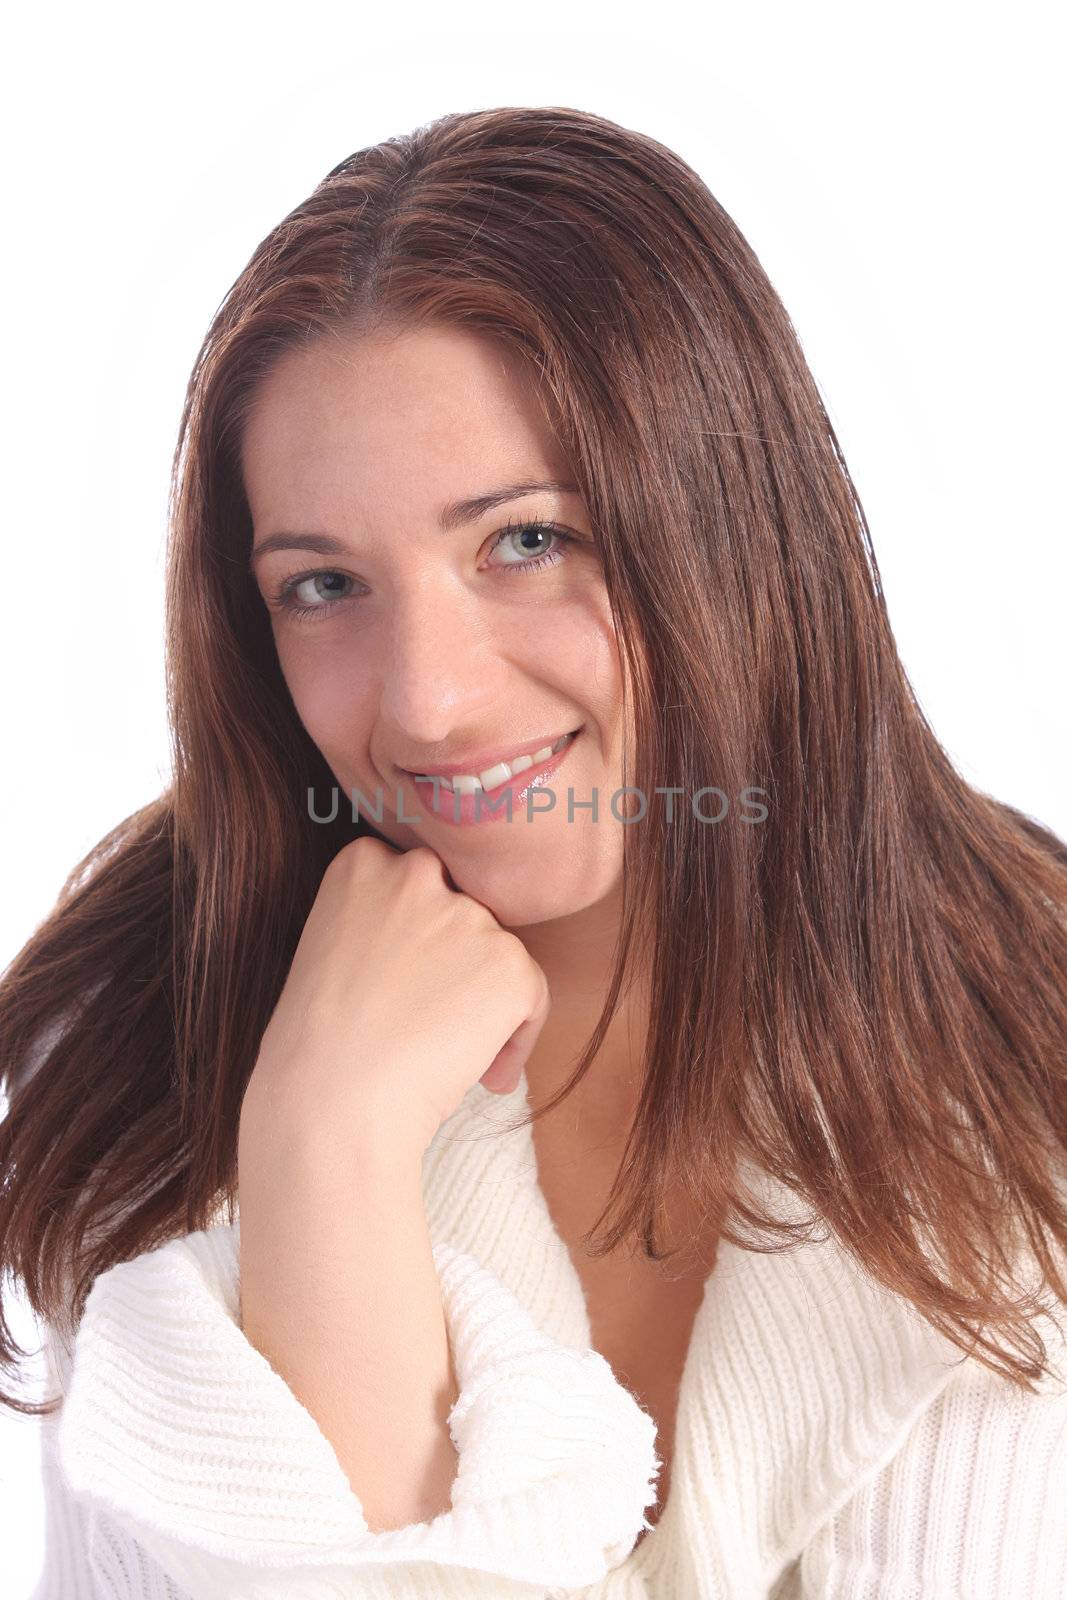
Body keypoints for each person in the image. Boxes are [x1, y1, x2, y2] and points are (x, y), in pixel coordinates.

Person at [1, 104, 1065, 1600]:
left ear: (732, 523)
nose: (429, 700)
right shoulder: (132, 1042)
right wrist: (322, 1150)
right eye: (323, 584)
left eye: (525, 541)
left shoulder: (1036, 1051)